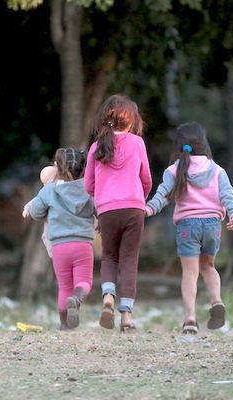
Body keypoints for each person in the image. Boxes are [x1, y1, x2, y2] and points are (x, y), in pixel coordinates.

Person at [145, 122, 233, 334]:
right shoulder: (217, 170)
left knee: (190, 273)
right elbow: (228, 196)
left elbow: (162, 195)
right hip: (212, 226)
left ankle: (190, 318)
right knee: (208, 267)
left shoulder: (174, 170)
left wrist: (149, 209)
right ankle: (216, 301)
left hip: (188, 226)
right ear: (204, 144)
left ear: (178, 145)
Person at [84, 94, 152, 332]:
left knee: (110, 256)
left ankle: (107, 299)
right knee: (129, 259)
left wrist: (103, 197)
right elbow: (146, 180)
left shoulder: (95, 147)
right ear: (131, 121)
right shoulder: (137, 143)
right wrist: (139, 198)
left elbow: (88, 186)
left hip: (107, 210)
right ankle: (126, 318)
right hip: (134, 208)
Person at [24, 148, 95, 330]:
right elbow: (99, 209)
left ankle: (64, 326)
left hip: (59, 247)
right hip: (82, 244)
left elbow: (35, 212)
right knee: (84, 282)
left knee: (64, 286)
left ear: (59, 168)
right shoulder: (89, 189)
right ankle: (77, 298)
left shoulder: (49, 190)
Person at [22, 164, 58, 257]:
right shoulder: (46, 191)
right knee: (47, 234)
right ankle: (52, 253)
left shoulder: (57, 188)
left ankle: (53, 252)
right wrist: (27, 208)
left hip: (55, 218)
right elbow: (36, 200)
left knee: (48, 234)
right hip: (50, 217)